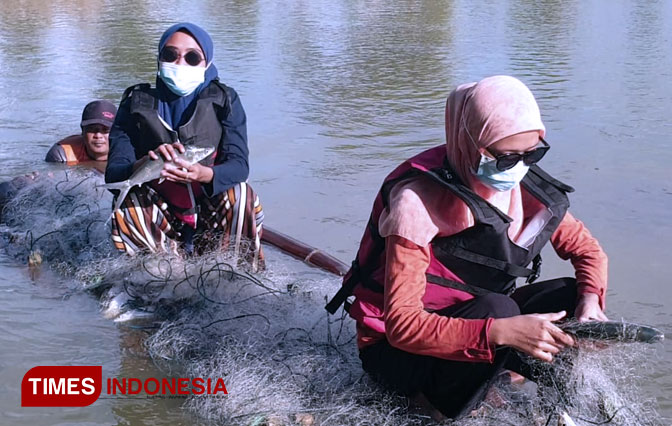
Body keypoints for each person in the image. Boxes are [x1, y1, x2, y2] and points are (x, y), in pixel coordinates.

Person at [326, 76, 608, 419]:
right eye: (506, 159)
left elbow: (588, 252)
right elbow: (402, 327)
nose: (518, 169)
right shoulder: (415, 204)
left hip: (476, 317)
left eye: (532, 154)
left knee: (569, 293)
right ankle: (436, 405)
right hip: (396, 353)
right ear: (472, 144)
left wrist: (590, 300)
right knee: (500, 310)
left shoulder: (523, 187)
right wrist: (501, 331)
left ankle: (542, 394)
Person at [105, 23, 264, 264]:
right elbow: (114, 174)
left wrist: (203, 174)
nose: (180, 64)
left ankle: (238, 272)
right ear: (159, 58)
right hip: (161, 208)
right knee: (128, 201)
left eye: (192, 57)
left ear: (206, 63)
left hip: (210, 207)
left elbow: (240, 167)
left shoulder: (225, 100)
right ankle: (157, 275)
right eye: (170, 55)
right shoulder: (134, 102)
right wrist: (146, 162)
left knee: (240, 193)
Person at [45, 100, 116, 165]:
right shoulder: (62, 154)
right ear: (83, 131)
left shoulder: (126, 152)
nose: (98, 135)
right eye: (91, 129)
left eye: (106, 130)